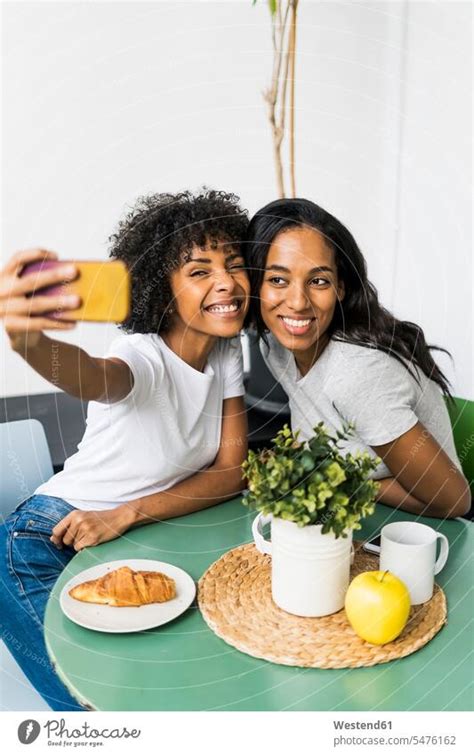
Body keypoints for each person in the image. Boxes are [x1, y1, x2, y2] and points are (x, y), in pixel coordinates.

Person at [0, 189, 250, 710]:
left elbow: (231, 471)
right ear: (163, 290)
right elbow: (94, 377)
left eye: (235, 265)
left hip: (126, 535)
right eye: (199, 272)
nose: (226, 282)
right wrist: (28, 341)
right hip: (43, 539)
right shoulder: (139, 355)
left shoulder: (225, 352)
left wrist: (126, 514)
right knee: (100, 703)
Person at [244, 198, 470, 520]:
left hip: (420, 534)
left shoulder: (356, 373)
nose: (297, 302)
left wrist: (341, 480)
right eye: (277, 280)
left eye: (318, 280)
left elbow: (454, 501)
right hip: (354, 519)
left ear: (340, 287)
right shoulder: (277, 346)